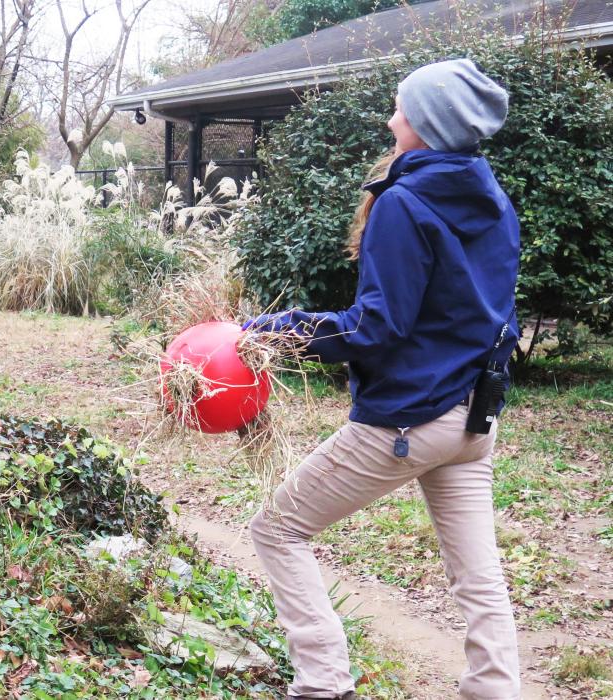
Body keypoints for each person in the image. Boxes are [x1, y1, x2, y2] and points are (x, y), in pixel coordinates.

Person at [244, 58, 522, 700]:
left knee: (277, 528)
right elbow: (487, 315)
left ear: (425, 123)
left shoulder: (403, 202)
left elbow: (375, 328)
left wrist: (277, 331)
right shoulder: (493, 200)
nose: (390, 116)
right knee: (479, 580)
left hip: (411, 418)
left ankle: (322, 683)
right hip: (475, 420)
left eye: (401, 105)